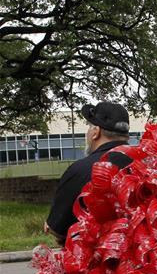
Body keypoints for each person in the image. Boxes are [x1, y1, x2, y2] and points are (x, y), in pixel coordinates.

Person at [45, 102, 133, 244]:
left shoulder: (80, 170)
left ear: (95, 132)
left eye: (88, 128)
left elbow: (57, 230)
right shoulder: (146, 164)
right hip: (145, 260)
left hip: (96, 261)